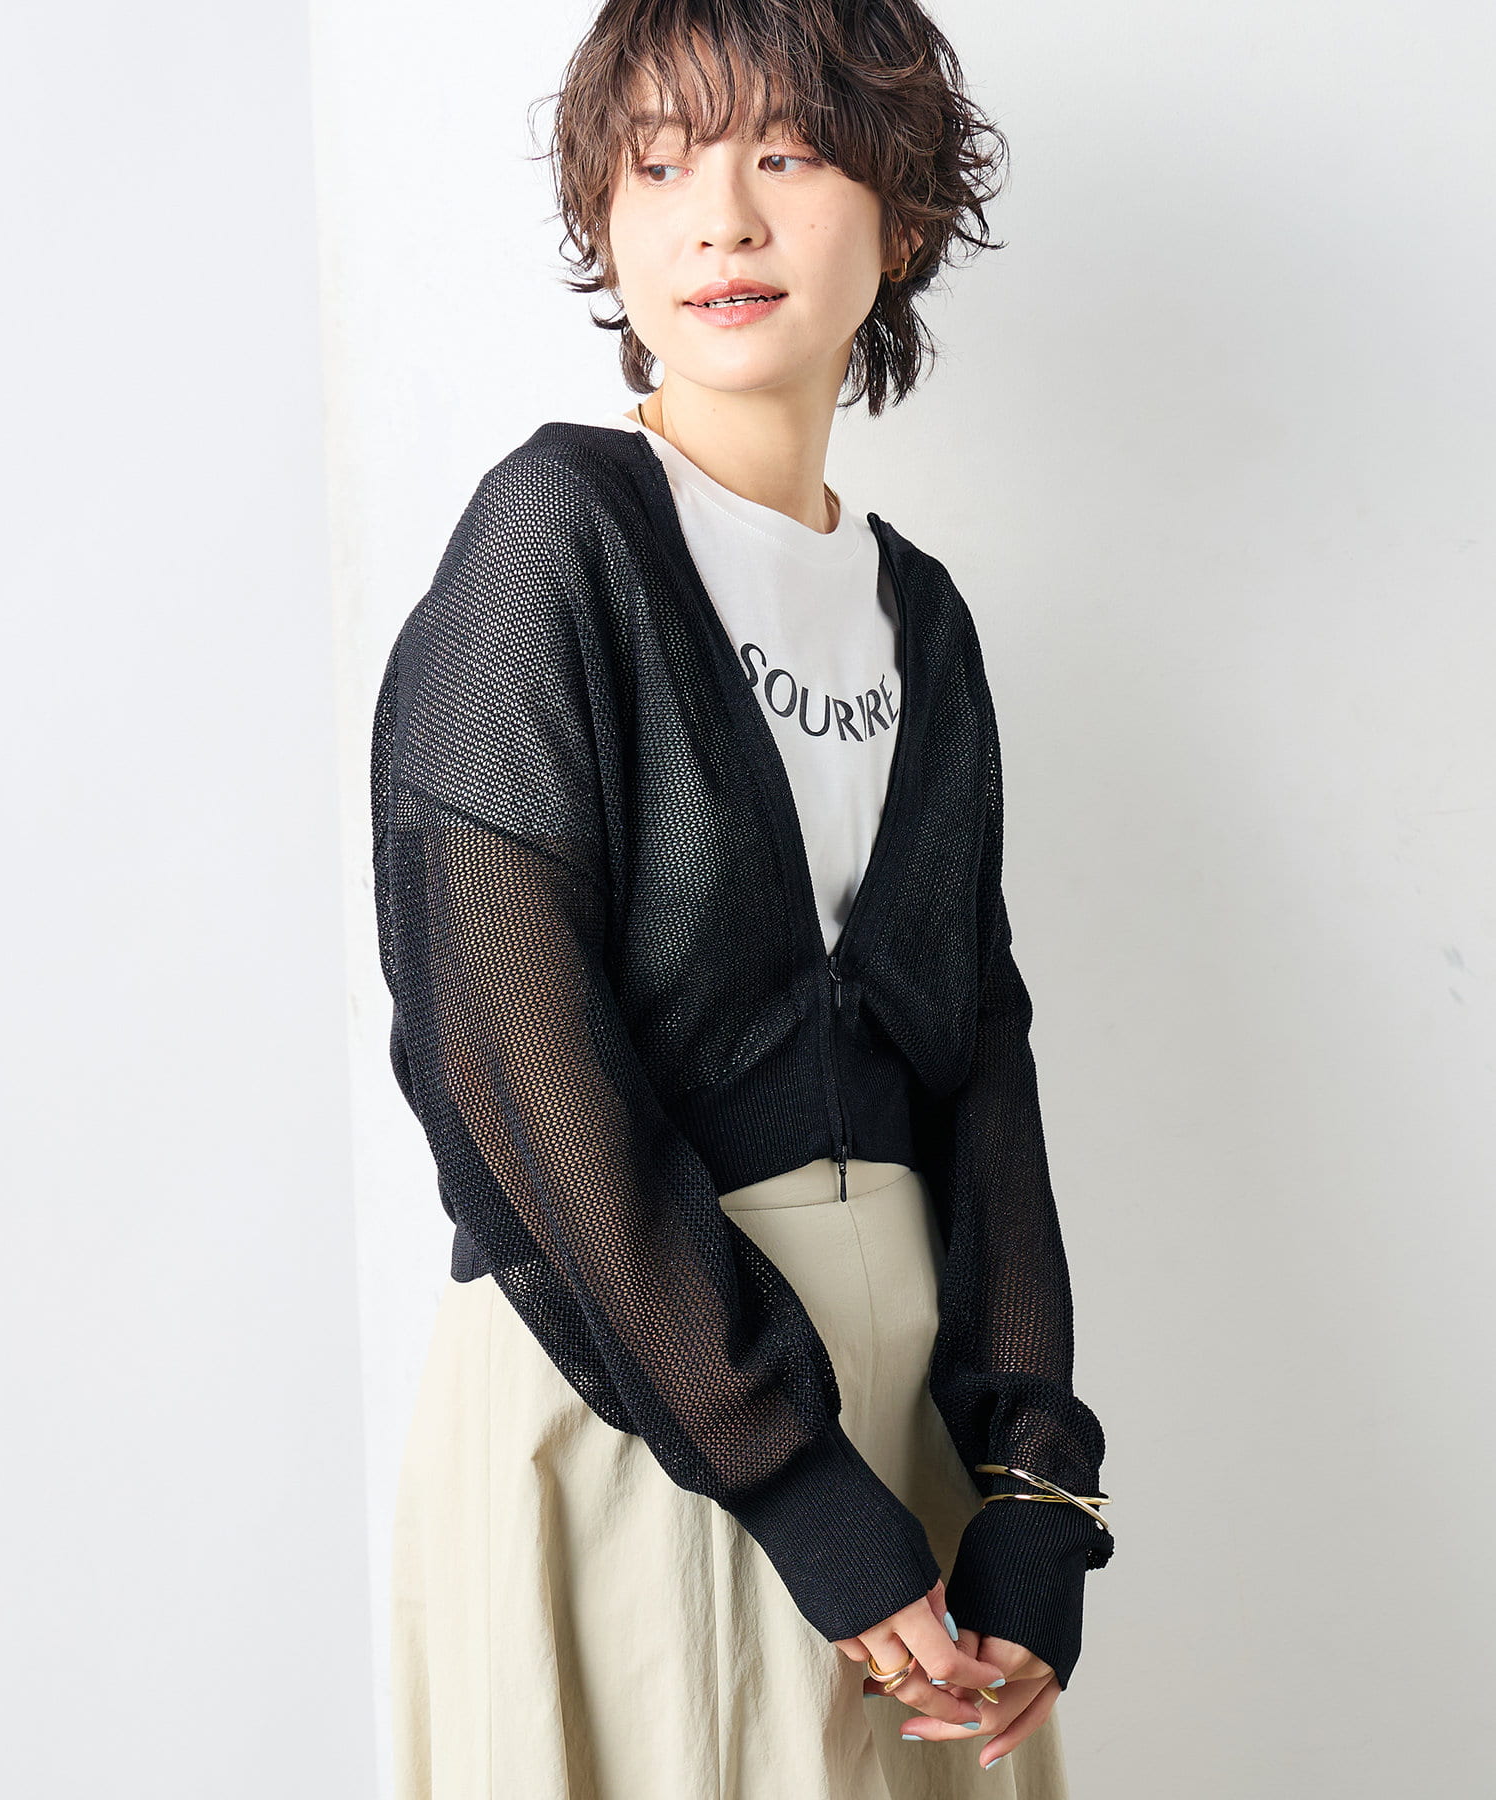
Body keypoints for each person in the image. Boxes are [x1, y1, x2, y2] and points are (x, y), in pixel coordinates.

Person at [372, 4, 1115, 1795]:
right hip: (635, 1394)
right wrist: (792, 1480)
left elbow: (982, 1057)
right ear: (604, 226)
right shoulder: (554, 539)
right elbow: (501, 1051)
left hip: (906, 1423)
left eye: (785, 153)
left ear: (902, 217)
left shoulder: (923, 619)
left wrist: (1031, 1486)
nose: (721, 218)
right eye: (657, 165)